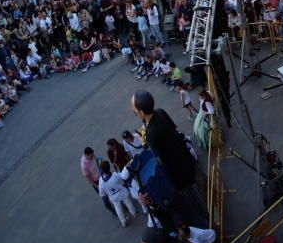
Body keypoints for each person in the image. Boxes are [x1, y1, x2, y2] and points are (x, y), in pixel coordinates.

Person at [130, 90, 206, 227]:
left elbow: (160, 159)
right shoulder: (160, 112)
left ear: (141, 112)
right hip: (185, 159)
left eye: (134, 109)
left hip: (178, 174)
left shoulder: (151, 134)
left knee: (196, 201)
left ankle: (207, 219)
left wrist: (144, 141)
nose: (133, 111)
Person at [99, 159, 138, 227]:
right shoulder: (114, 175)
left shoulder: (101, 180)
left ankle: (123, 221)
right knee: (128, 202)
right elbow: (122, 178)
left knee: (118, 208)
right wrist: (118, 169)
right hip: (121, 191)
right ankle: (134, 213)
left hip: (112, 196)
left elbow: (102, 192)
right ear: (108, 167)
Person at [82, 146, 119, 217]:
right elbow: (88, 178)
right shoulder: (84, 165)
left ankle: (120, 202)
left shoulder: (92, 156)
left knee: (112, 189)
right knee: (104, 197)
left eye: (93, 155)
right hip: (96, 181)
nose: (93, 157)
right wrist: (97, 186)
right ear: (86, 155)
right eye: (91, 156)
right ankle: (112, 210)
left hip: (102, 175)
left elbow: (96, 161)